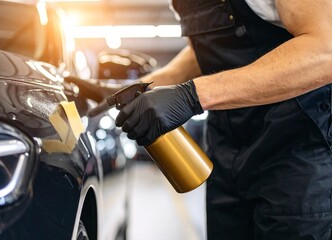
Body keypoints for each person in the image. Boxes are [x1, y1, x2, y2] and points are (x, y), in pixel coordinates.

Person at [114, 0, 332, 239]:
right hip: (227, 150)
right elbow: (209, 50)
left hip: (296, 150)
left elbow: (324, 49)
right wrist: (116, 91)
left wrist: (192, 95)